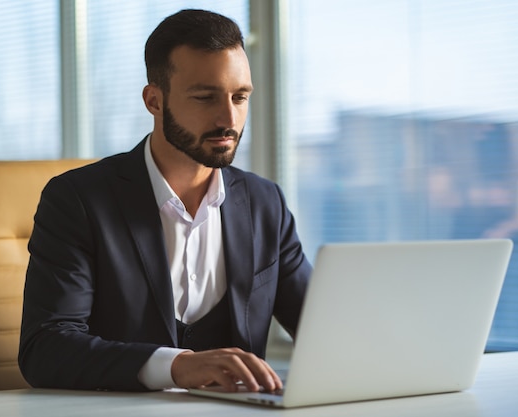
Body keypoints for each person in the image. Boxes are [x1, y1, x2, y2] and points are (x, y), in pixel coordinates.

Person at [18, 9, 312, 393]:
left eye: (240, 97)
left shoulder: (264, 202)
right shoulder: (77, 200)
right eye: (205, 97)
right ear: (154, 101)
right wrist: (175, 367)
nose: (229, 118)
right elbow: (45, 349)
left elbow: (324, 329)